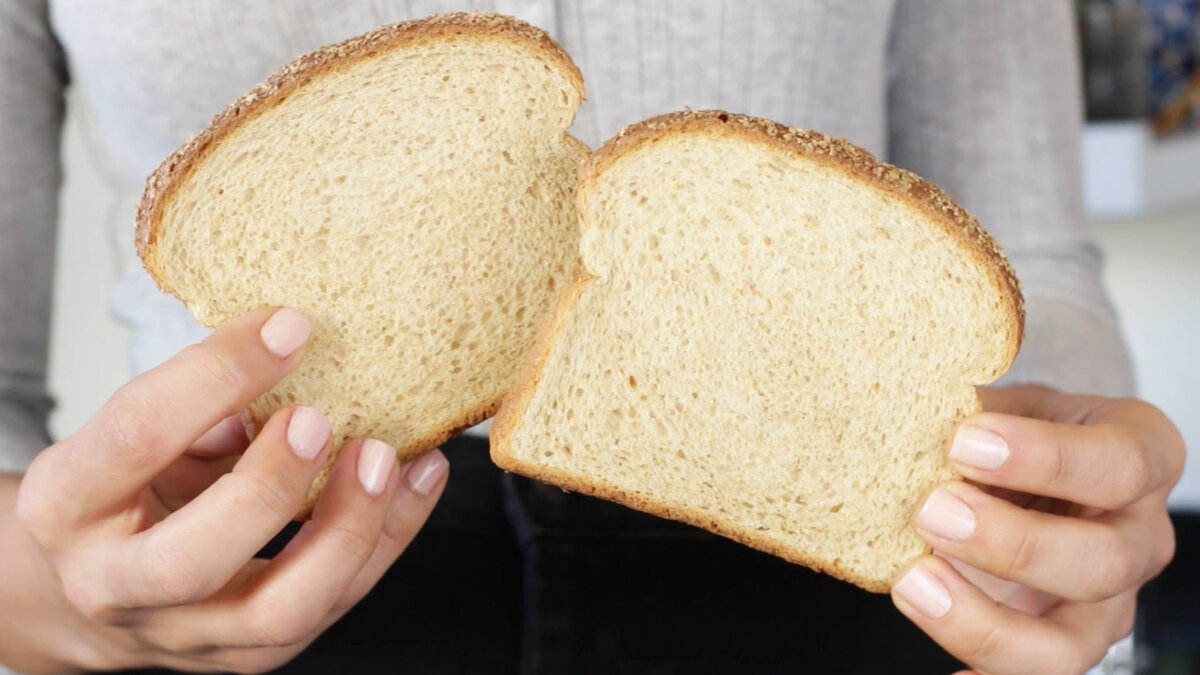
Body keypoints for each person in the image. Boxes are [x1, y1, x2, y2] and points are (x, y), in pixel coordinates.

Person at [0, 1, 1184, 673]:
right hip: (238, 594)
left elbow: (1031, 261)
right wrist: (56, 590)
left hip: (840, 588)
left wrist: (1054, 509)